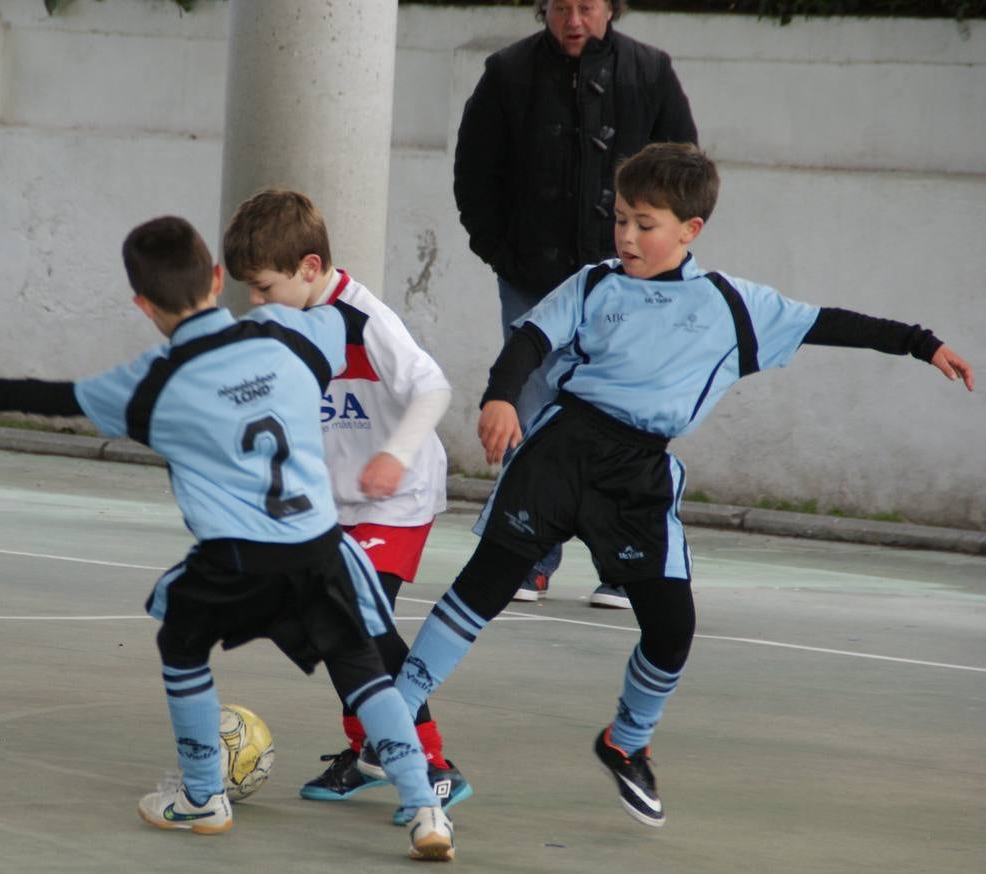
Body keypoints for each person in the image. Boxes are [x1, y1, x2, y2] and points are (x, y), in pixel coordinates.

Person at [393, 142, 975, 828]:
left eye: (645, 223)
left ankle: (625, 742)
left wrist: (919, 342)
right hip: (561, 450)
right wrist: (499, 397)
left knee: (671, 629)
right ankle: (388, 724)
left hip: (638, 475)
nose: (627, 236)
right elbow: (528, 342)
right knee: (477, 592)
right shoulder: (592, 284)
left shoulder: (733, 305)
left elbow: (829, 323)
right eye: (620, 220)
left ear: (688, 230)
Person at [0, 215, 455, 861]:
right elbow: (350, 318)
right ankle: (424, 809)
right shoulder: (295, 334)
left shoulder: (151, 383)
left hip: (234, 556)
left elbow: (61, 398)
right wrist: (319, 282)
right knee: (361, 668)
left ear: (142, 304)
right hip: (318, 546)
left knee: (181, 644)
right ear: (218, 279)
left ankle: (199, 796)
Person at [222, 189, 471, 825]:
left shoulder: (368, 320)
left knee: (354, 622)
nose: (256, 300)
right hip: (332, 507)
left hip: (396, 500)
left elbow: (432, 387)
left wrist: (394, 455)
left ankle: (432, 763)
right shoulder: (285, 324)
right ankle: (370, 748)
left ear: (309, 269)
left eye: (264, 286)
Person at [453, 0, 698, 609]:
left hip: (633, 283)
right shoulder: (507, 72)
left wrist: (655, 254)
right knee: (533, 410)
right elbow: (474, 173)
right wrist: (501, 251)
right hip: (532, 276)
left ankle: (627, 565)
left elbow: (682, 171)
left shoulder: (650, 71)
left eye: (587, 7)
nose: (573, 20)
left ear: (610, 9)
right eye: (560, 7)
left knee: (626, 418)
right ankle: (530, 558)